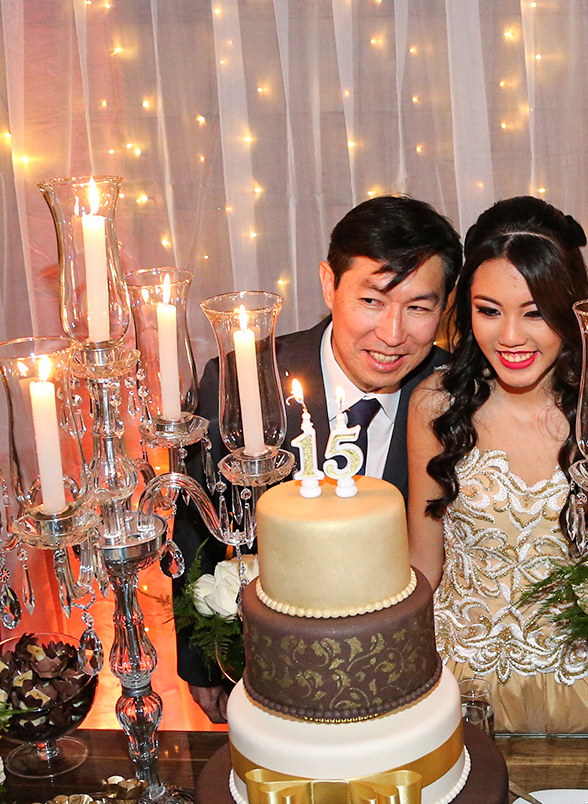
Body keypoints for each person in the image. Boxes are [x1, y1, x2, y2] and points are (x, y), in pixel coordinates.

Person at [176, 194, 462, 710]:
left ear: (444, 308)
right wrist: (203, 663)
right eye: (371, 301)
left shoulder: (456, 395)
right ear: (330, 284)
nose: (392, 335)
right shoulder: (244, 381)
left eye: (419, 307)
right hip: (272, 669)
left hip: (408, 673)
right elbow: (196, 528)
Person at [407, 196, 588, 734]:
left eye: (535, 312)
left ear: (570, 309)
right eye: (489, 310)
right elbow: (423, 565)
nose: (511, 337)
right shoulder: (435, 406)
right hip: (459, 681)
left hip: (581, 684)